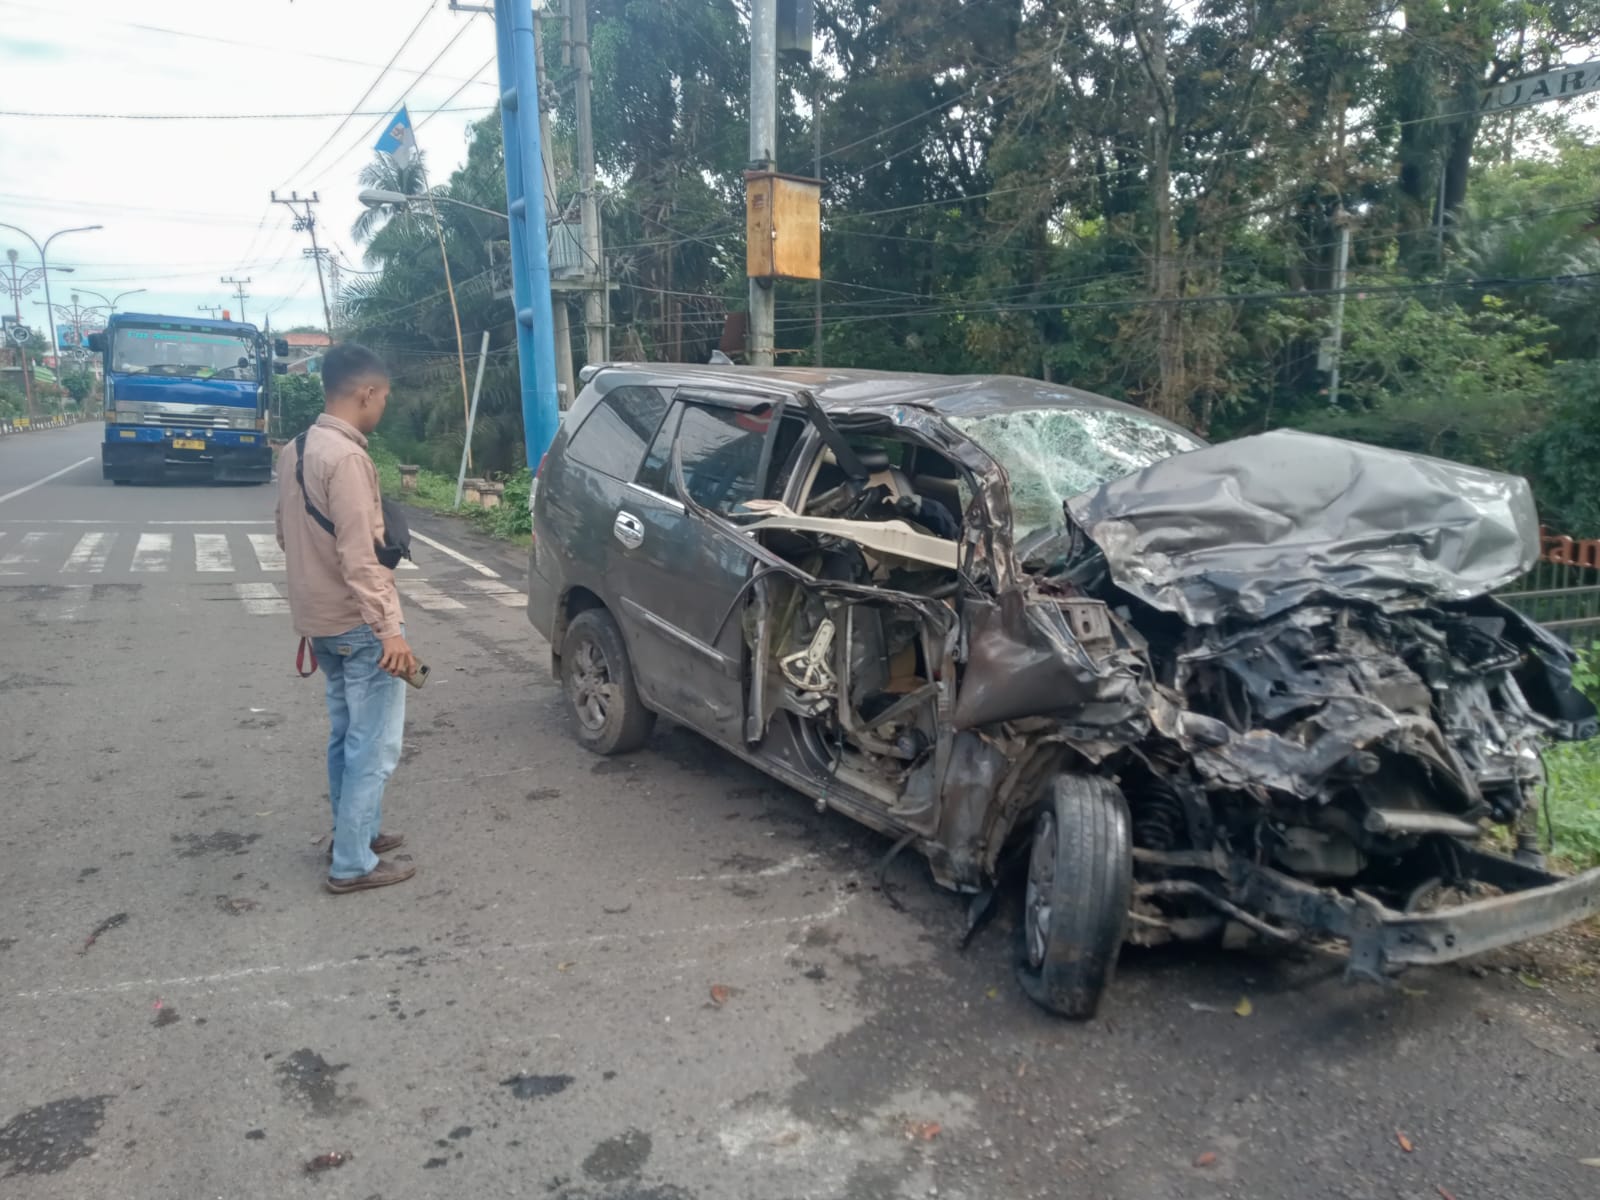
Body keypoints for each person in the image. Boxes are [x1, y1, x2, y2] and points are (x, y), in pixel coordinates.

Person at [276, 342, 418, 894]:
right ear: (367, 393)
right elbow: (361, 556)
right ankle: (353, 864)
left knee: (346, 736)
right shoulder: (349, 458)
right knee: (374, 746)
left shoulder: (295, 449)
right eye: (382, 398)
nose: (382, 407)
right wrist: (390, 631)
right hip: (361, 626)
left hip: (321, 624)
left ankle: (355, 835)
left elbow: (286, 535)